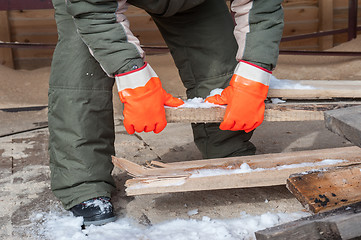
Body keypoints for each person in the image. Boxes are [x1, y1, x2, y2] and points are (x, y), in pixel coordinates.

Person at [48, 0, 284, 226]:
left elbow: (261, 6)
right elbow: (92, 9)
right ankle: (83, 182)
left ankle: (226, 148)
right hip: (93, 5)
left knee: (219, 62)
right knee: (81, 64)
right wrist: (133, 78)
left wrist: (253, 75)